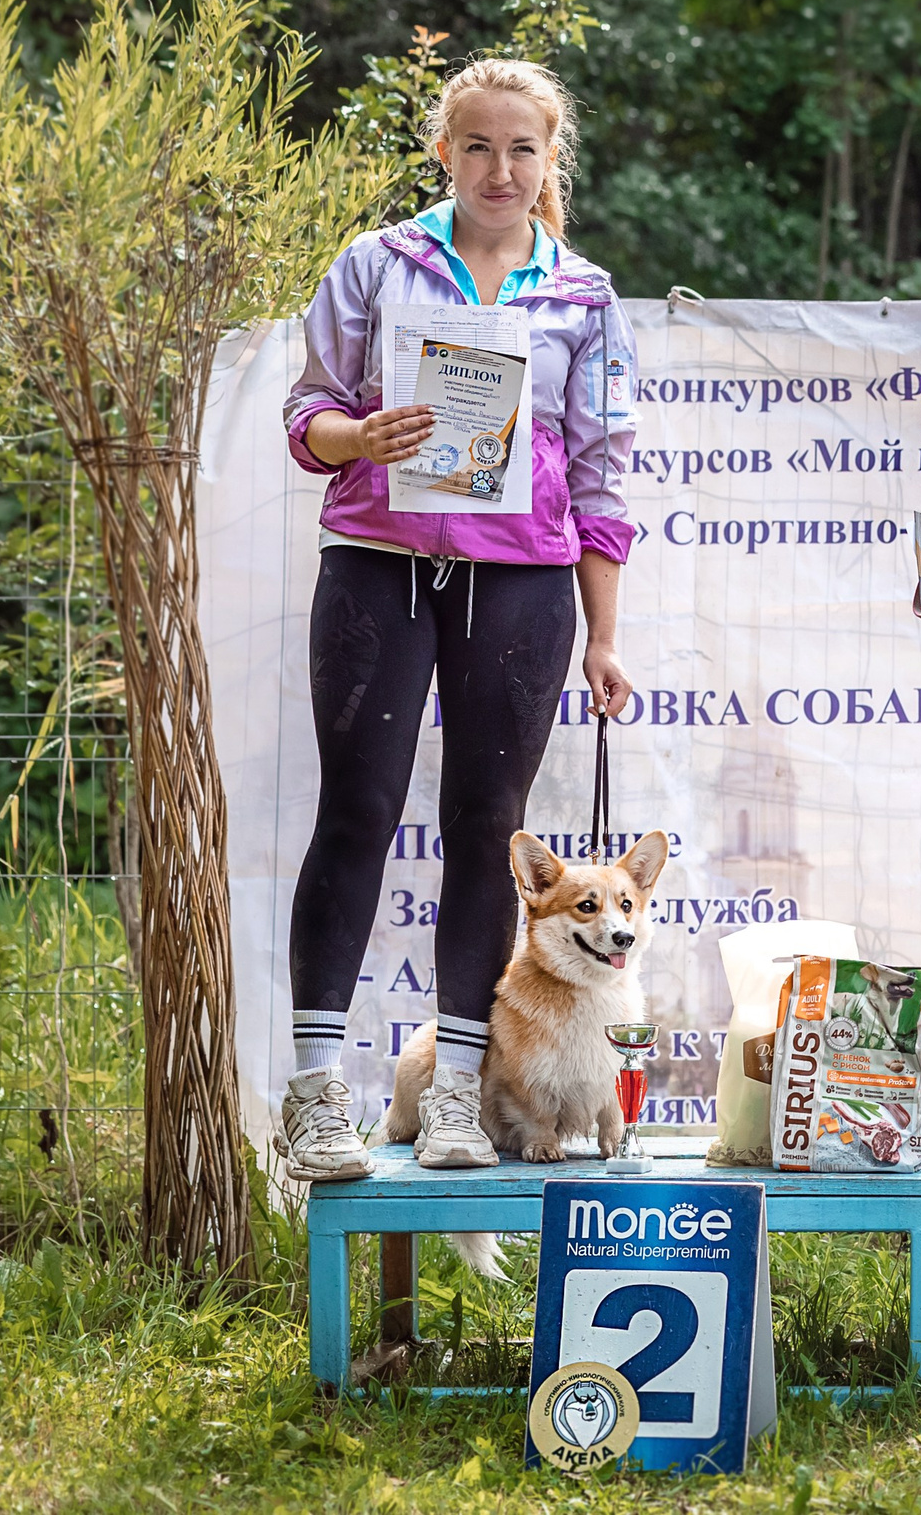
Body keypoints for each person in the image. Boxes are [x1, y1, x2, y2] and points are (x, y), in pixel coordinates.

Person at [275, 58, 639, 1181]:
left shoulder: (584, 295)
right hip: (378, 568)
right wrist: (358, 437)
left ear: (549, 159)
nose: (499, 169)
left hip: (521, 585)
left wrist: (604, 636)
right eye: (477, 146)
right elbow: (307, 410)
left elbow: (601, 474)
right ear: (445, 152)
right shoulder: (377, 262)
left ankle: (456, 1102)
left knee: (490, 831)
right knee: (359, 813)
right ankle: (316, 1096)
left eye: (522, 149)